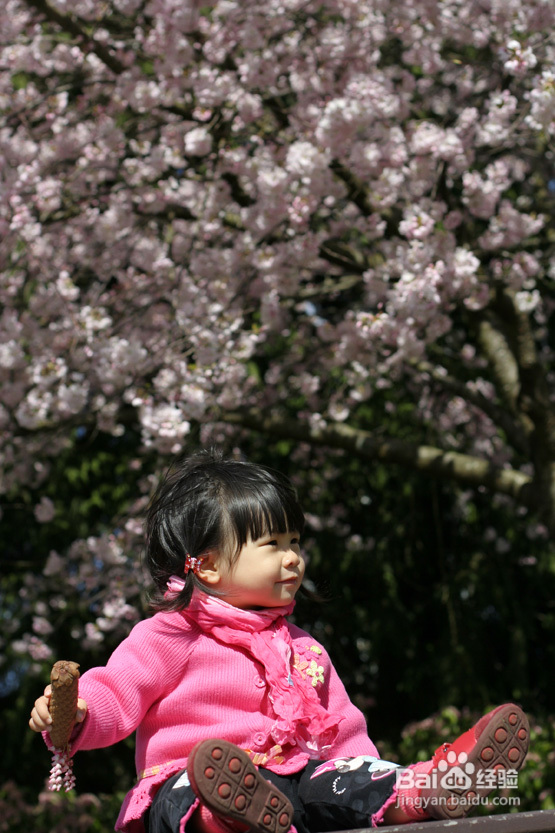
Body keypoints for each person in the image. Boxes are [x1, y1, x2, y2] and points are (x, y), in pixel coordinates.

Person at [30, 450, 530, 833]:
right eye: (273, 545)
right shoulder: (173, 632)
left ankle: (427, 789)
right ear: (204, 563)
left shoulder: (302, 647)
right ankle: (226, 816)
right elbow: (117, 691)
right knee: (186, 793)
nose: (293, 558)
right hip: (189, 778)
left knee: (342, 779)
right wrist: (74, 714)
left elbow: (345, 730)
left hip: (293, 783)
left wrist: (369, 772)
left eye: (295, 542)